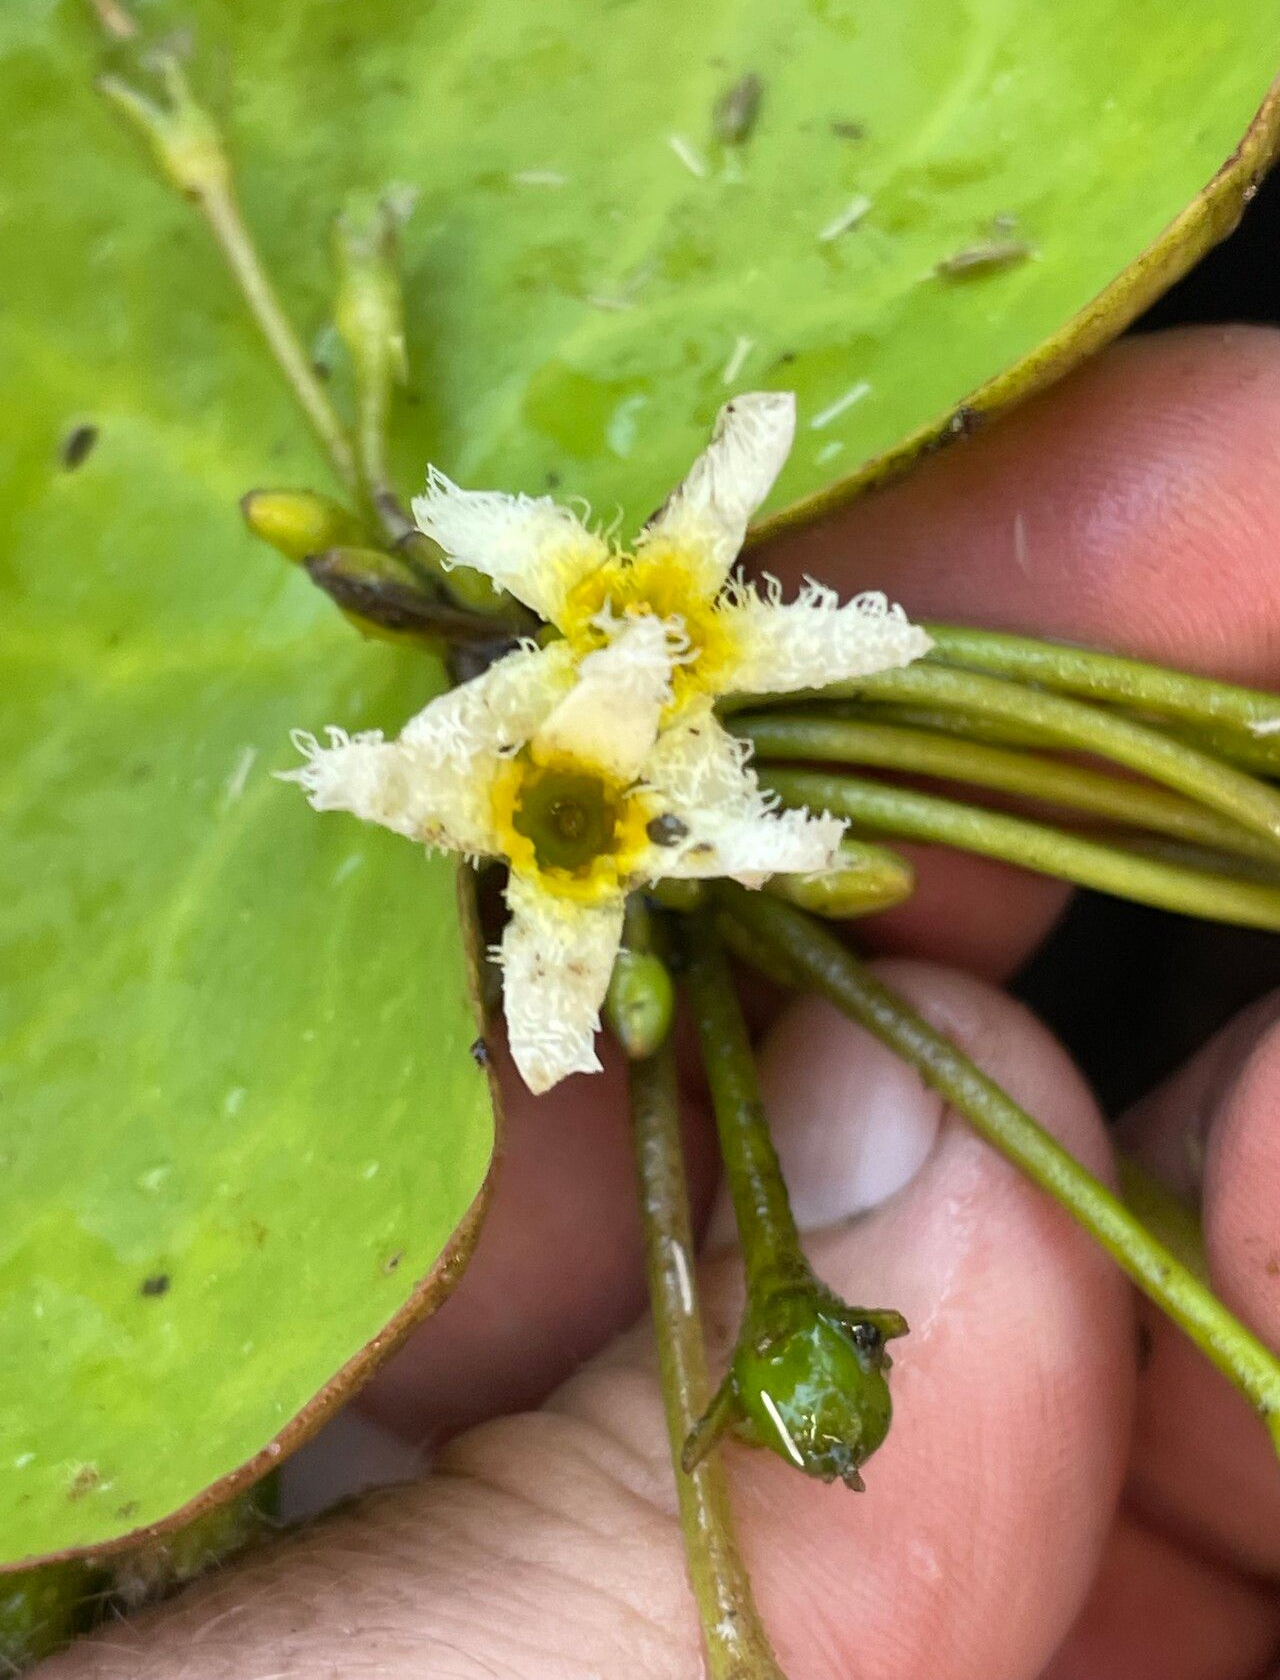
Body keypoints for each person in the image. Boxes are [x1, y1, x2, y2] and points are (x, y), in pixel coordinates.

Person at [44, 327, 1280, 1679]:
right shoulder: (568, 737)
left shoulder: (639, 725)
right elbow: (484, 747)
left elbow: (685, 734)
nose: (635, 655)